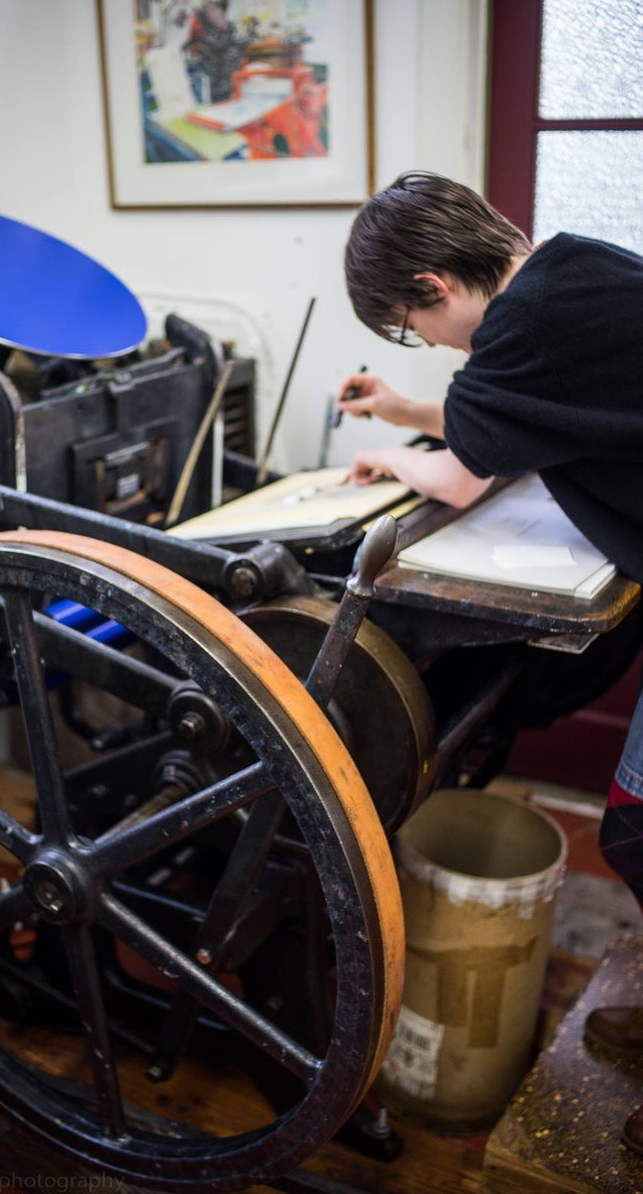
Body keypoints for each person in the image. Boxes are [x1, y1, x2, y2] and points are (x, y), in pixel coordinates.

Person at [335, 171, 643, 1153]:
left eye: (406, 327)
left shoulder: (513, 335)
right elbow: (508, 423)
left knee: (639, 833)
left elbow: (465, 475)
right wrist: (401, 410)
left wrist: (393, 458)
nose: (420, 343)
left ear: (431, 285)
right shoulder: (568, 273)